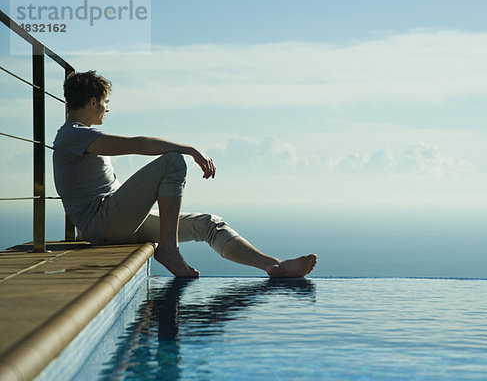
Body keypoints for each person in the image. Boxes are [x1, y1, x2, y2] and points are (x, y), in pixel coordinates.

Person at [53, 70, 317, 278]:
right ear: (92, 101)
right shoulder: (73, 136)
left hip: (111, 224)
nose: (107, 109)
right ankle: (169, 249)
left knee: (208, 224)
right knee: (172, 161)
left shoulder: (77, 136)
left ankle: (273, 266)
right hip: (104, 225)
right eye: (105, 102)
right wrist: (190, 149)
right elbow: (138, 145)